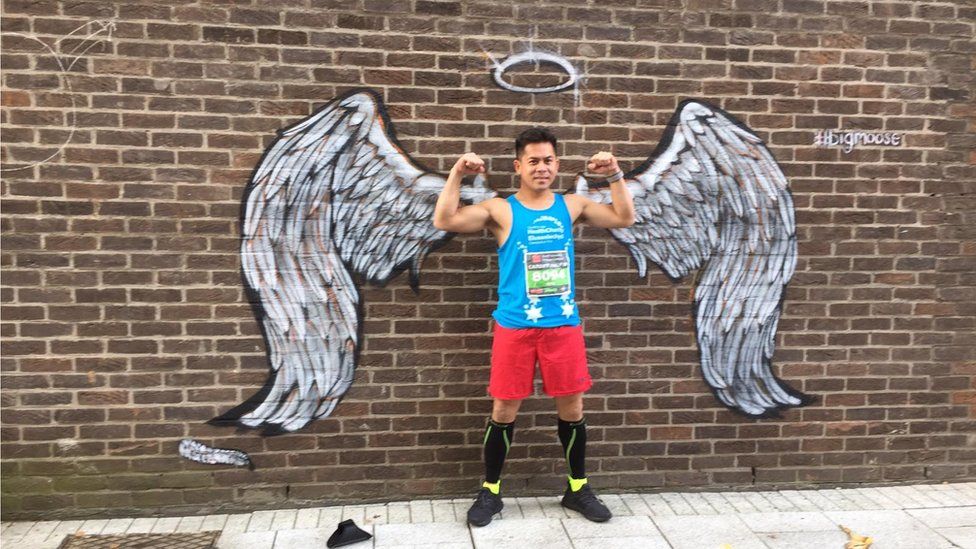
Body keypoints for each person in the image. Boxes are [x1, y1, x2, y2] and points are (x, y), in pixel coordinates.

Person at [432, 127, 635, 527]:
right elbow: (444, 219)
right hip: (515, 327)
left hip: (562, 326)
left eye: (548, 160)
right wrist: (457, 173)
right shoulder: (500, 210)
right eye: (534, 161)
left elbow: (624, 217)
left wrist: (614, 175)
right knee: (504, 408)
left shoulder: (572, 205)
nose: (542, 168)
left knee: (572, 407)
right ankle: (490, 492)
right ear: (518, 166)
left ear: (557, 165)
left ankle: (578, 488)